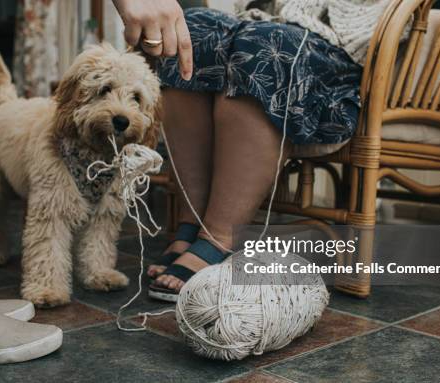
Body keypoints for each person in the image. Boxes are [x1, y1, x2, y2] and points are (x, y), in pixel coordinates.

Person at [0, 0, 192, 364]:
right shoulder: (51, 140)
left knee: (105, 215)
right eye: (104, 91)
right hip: (0, 130)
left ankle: (97, 268)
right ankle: (32, 274)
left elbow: (106, 218)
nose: (121, 112)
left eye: (135, 99)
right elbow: (47, 220)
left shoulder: (122, 158)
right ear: (76, 99)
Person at [147, 0, 398, 301]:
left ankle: (219, 238)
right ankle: (192, 224)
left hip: (336, 64)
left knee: (267, 43)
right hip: (267, 23)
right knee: (191, 27)